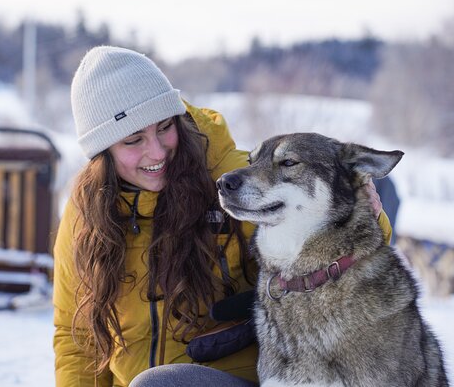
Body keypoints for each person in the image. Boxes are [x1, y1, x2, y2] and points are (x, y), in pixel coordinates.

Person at [53, 46, 394, 387]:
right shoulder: (87, 216)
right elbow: (77, 337)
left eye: (164, 127)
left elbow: (337, 254)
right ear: (102, 152)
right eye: (133, 140)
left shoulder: (232, 181)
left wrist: (368, 214)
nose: (156, 152)